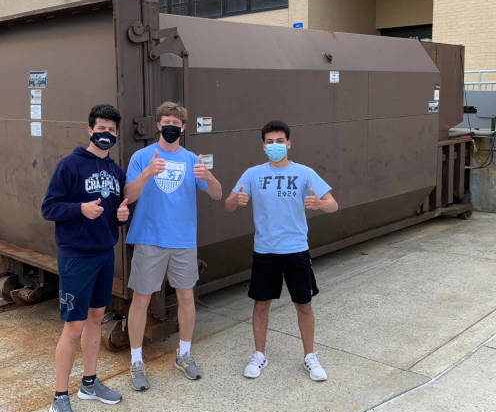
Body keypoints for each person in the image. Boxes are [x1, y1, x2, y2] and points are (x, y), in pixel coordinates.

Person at [224, 120, 338, 381]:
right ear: (263, 146)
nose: (274, 146)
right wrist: (235, 200)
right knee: (261, 304)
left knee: (304, 305)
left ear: (289, 143)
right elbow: (229, 205)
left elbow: (333, 204)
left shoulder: (304, 173)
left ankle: (310, 356)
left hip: (296, 249)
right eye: (269, 142)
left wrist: (319, 204)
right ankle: (259, 354)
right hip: (265, 251)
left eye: (279, 141)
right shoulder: (252, 174)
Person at [41, 104, 131, 412]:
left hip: (105, 253)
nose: (106, 134)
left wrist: (121, 216)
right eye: (101, 128)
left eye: (112, 130)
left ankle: (89, 383)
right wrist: (80, 208)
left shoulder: (116, 172)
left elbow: (117, 209)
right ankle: (59, 397)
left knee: (96, 317)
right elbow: (49, 208)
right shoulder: (70, 165)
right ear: (90, 130)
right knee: (74, 326)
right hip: (76, 256)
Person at [124, 101, 223, 390]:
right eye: (165, 121)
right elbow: (128, 195)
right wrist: (147, 173)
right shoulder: (142, 157)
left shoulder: (192, 159)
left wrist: (209, 176)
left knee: (186, 298)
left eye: (175, 123)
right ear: (158, 125)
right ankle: (136, 360)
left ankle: (184, 354)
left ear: (183, 127)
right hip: (149, 238)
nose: (170, 126)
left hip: (182, 241)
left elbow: (217, 194)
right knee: (141, 300)